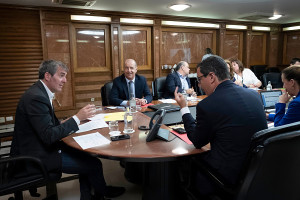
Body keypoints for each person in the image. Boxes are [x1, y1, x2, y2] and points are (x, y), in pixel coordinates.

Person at [10, 60, 125, 200]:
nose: (65, 80)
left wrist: (70, 120)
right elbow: (49, 135)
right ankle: (102, 192)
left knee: (85, 155)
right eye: (62, 75)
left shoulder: (38, 91)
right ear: (48, 76)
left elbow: (46, 124)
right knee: (93, 164)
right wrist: (77, 118)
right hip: (36, 156)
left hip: (40, 147)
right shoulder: (36, 98)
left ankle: (88, 196)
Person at [174, 56, 267, 196]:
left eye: (199, 79)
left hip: (226, 177)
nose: (199, 85)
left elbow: (197, 141)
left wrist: (184, 108)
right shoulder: (255, 96)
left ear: (211, 77)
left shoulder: (208, 105)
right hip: (257, 173)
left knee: (184, 163)